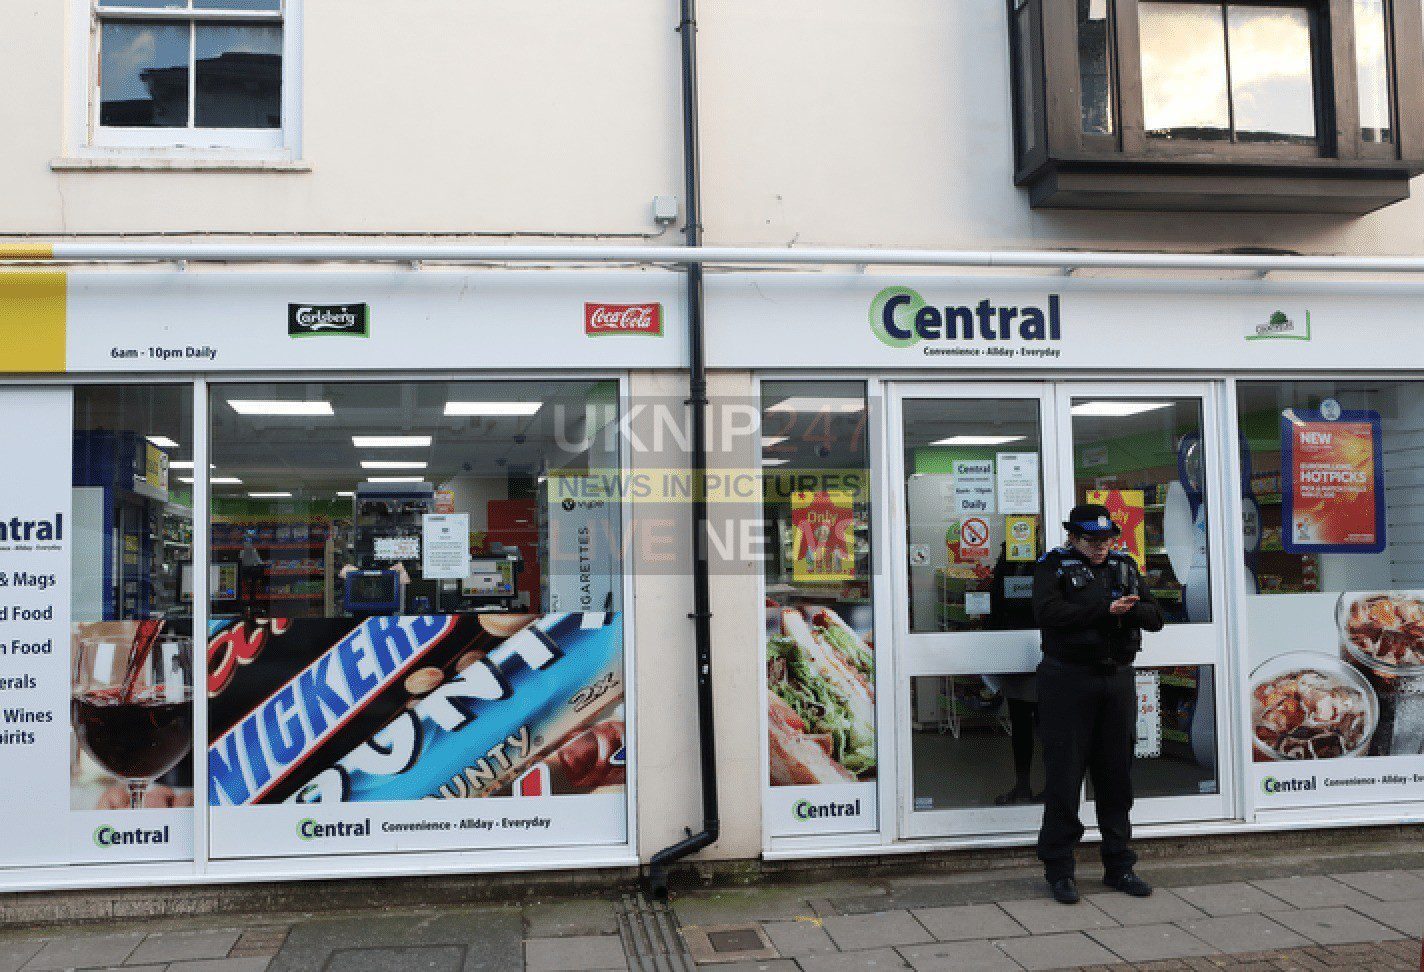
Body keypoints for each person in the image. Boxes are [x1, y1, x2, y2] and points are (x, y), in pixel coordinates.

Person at [1032, 503, 1163, 905]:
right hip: (1067, 680)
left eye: (1106, 540)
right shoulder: (1051, 567)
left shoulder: (1125, 566)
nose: (1100, 548)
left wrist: (1130, 610)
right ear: (1072, 536)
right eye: (1091, 541)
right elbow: (1048, 613)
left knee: (1116, 777)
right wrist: (1105, 611)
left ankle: (1120, 866)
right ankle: (1060, 871)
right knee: (1065, 778)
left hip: (1116, 680)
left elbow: (1156, 616)